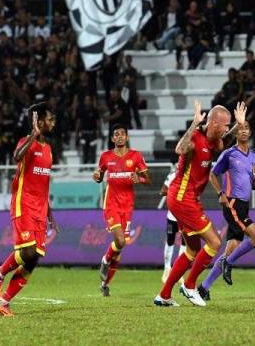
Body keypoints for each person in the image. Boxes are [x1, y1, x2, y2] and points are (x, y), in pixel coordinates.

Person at [154, 101, 246, 308]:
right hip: (181, 197)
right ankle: (189, 285)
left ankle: (164, 295)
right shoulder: (195, 137)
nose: (225, 129)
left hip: (187, 199)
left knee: (192, 250)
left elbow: (226, 139)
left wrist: (238, 125)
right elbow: (180, 148)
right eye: (224, 125)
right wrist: (194, 123)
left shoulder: (214, 141)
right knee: (214, 242)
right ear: (213, 123)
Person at [0, 102, 58, 316]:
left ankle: (3, 302)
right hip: (23, 204)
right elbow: (17, 157)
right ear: (39, 122)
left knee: (34, 258)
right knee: (27, 251)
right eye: (49, 119)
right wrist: (32, 136)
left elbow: (44, 185)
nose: (53, 123)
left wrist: (50, 214)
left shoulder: (48, 150)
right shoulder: (25, 142)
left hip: (40, 209)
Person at [198, 120, 255, 301]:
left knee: (231, 248)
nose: (244, 131)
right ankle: (228, 264)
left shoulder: (253, 156)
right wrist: (220, 193)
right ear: (236, 133)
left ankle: (204, 287)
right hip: (232, 203)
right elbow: (211, 173)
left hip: (244, 205)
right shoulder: (229, 154)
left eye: (247, 128)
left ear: (250, 132)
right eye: (240, 129)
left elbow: (253, 185)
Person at [93, 124, 150, 297]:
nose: (119, 137)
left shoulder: (135, 156)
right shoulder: (105, 157)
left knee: (119, 247)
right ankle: (104, 261)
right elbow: (99, 176)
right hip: (111, 204)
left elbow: (148, 179)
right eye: (116, 134)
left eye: (122, 134)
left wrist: (138, 178)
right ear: (112, 139)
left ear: (127, 137)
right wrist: (96, 177)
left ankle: (105, 283)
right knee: (120, 240)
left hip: (127, 206)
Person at [158, 167, 186, 284]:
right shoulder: (173, 174)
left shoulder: (194, 174)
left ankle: (178, 271)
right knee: (170, 241)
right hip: (173, 215)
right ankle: (166, 269)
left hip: (186, 215)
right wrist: (176, 192)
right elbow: (162, 191)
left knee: (185, 242)